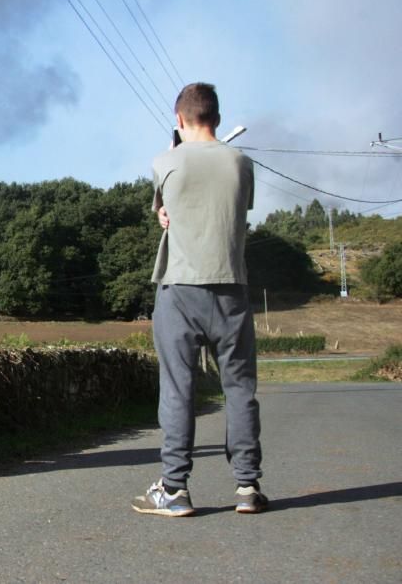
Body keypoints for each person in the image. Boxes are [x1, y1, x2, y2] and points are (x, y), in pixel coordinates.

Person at [132, 82, 267, 517]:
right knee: (240, 389)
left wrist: (162, 207)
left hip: (180, 289)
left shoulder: (164, 162)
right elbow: (233, 211)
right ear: (218, 118)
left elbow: (166, 211)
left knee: (178, 390)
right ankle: (247, 485)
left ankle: (175, 490)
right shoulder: (242, 163)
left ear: (178, 119)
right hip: (231, 288)